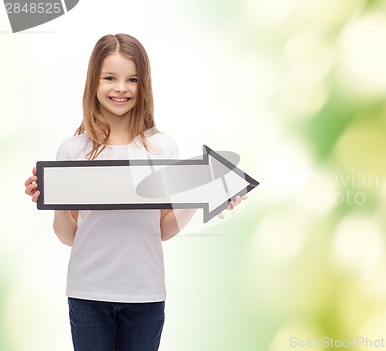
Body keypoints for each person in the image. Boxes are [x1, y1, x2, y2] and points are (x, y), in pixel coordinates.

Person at [23, 33, 244, 351]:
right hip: (88, 293)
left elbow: (164, 230)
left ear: (144, 86)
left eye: (132, 79)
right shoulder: (73, 150)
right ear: (94, 83)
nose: (121, 88)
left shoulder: (162, 148)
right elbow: (68, 236)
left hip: (145, 294)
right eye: (110, 78)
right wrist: (53, 196)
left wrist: (197, 196)